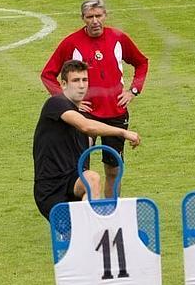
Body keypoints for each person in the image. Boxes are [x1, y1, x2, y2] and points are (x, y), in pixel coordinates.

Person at [41, 0, 148, 198]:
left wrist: (133, 90)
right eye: (90, 17)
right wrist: (68, 102)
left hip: (116, 112)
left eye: (98, 15)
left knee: (114, 169)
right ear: (83, 18)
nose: (95, 21)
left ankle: (111, 213)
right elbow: (47, 74)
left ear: (105, 16)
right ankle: (82, 214)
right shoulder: (71, 43)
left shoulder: (118, 38)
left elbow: (141, 62)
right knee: (81, 170)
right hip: (85, 116)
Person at [33, 60, 140, 221]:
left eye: (85, 80)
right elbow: (86, 126)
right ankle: (89, 230)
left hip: (73, 184)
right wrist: (122, 132)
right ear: (63, 84)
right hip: (51, 189)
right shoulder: (56, 104)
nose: (81, 85)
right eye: (75, 81)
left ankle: (90, 230)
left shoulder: (80, 115)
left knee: (91, 178)